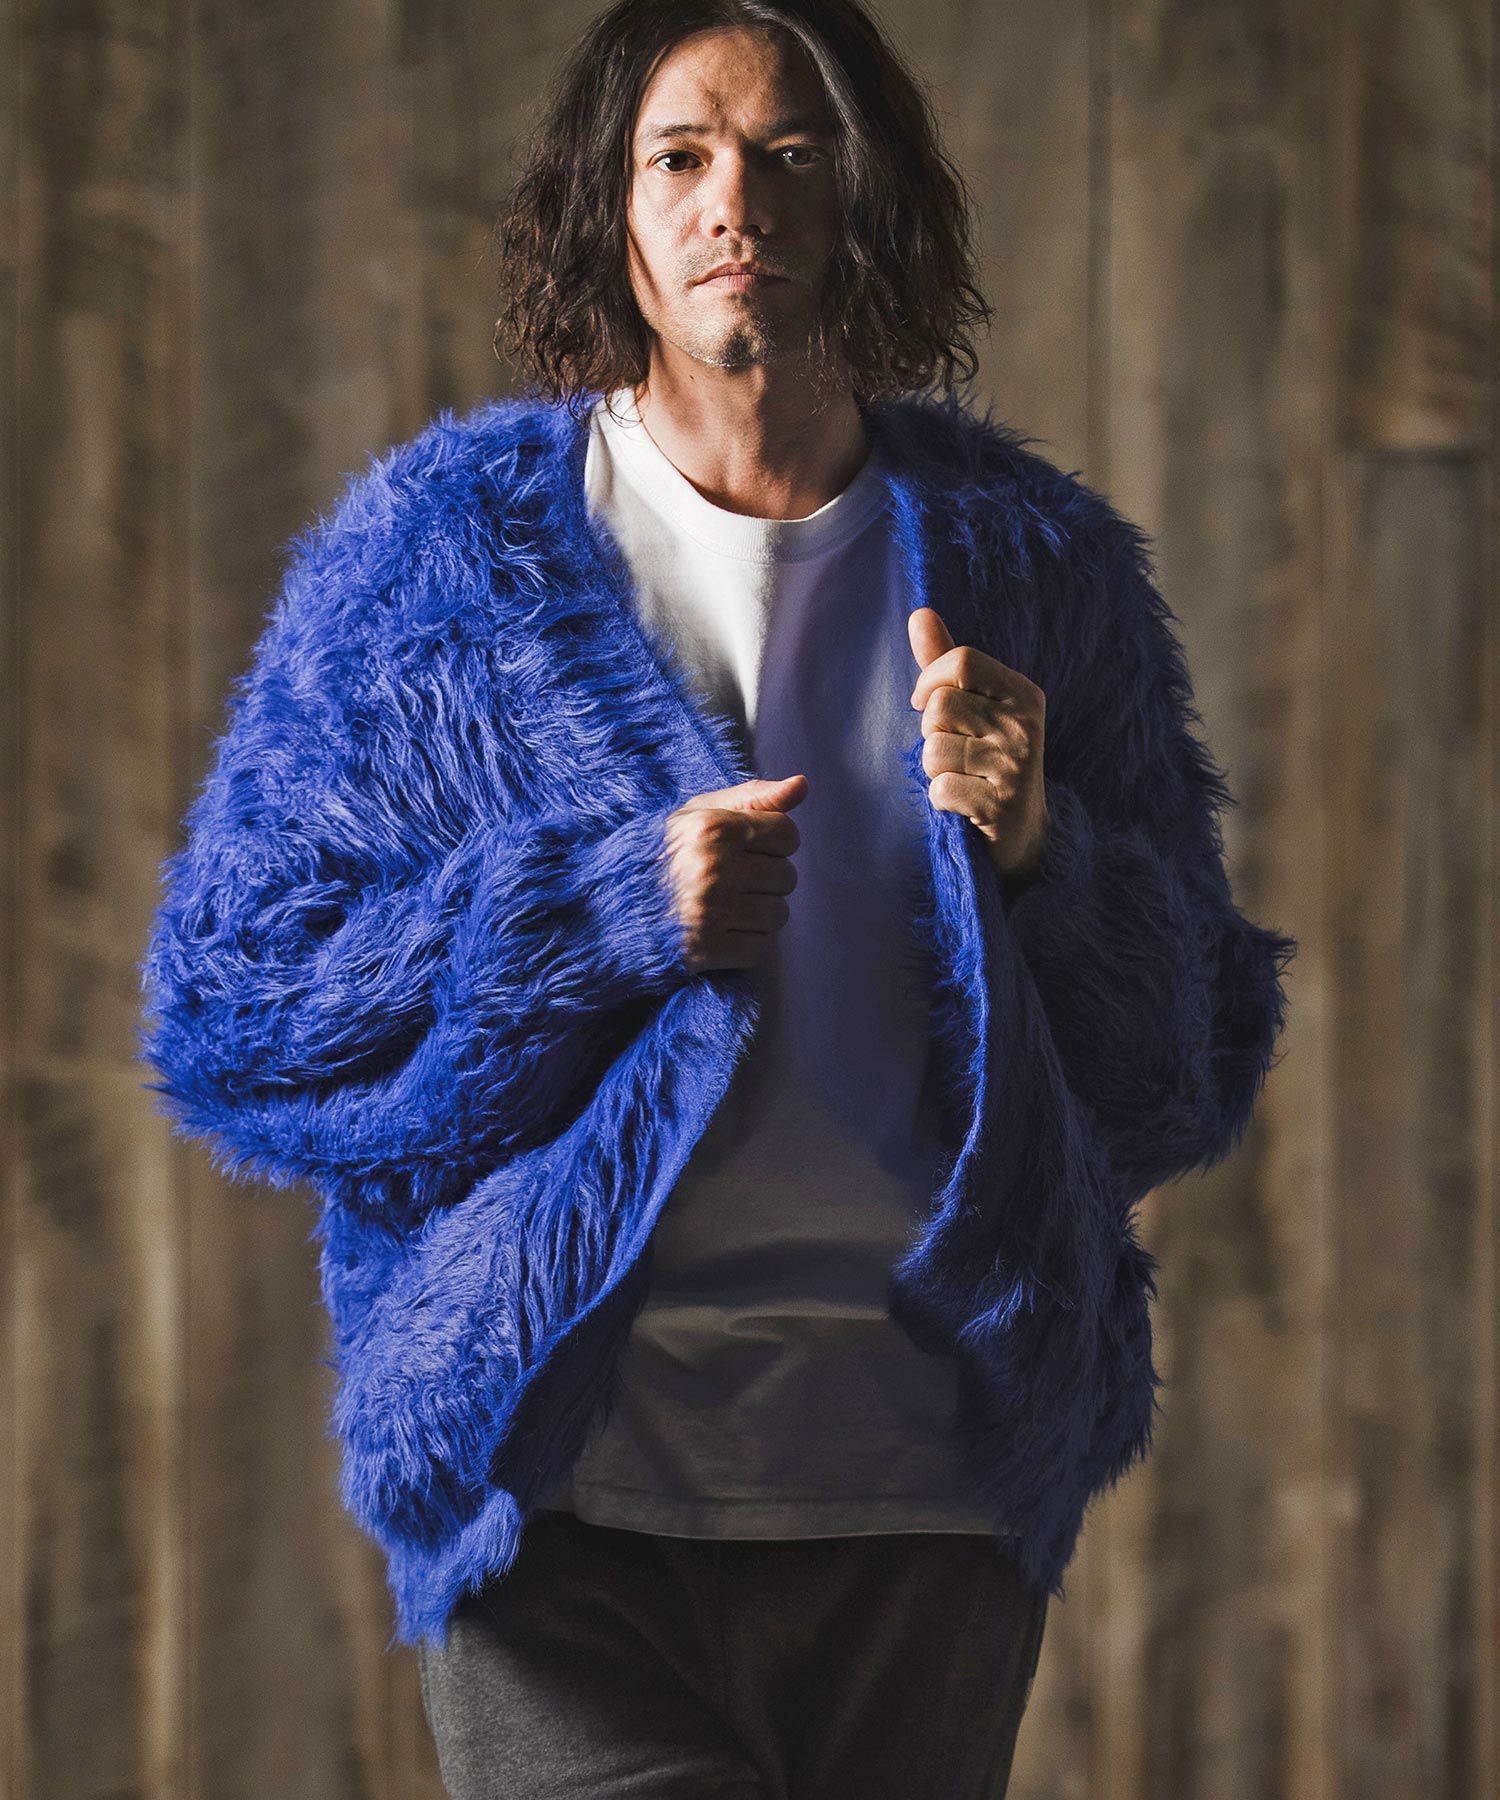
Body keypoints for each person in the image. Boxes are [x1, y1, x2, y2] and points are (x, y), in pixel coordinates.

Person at [137, 2, 1297, 1796]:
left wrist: (1048, 854)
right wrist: (595, 917)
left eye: (787, 152)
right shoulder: (450, 562)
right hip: (565, 1496)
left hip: (926, 1491)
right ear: (611, 209)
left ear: (863, 196)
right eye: (678, 155)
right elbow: (232, 1014)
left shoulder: (1036, 567)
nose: (730, 200)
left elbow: (1187, 1067)